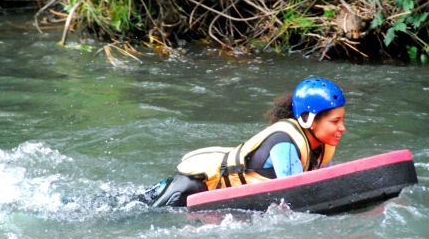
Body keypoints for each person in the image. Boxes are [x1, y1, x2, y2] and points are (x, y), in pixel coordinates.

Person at [142, 77, 347, 207]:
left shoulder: (321, 146)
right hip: (193, 185)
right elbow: (293, 196)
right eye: (335, 121)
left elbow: (320, 183)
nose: (342, 128)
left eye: (342, 120)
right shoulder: (285, 142)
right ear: (307, 119)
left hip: (205, 188)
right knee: (137, 211)